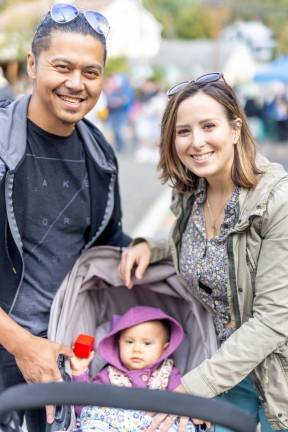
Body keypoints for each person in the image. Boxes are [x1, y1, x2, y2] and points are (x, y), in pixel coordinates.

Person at [119, 73, 288, 432]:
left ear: (235, 128)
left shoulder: (277, 201)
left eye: (208, 126)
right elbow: (214, 251)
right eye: (183, 131)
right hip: (226, 367)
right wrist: (153, 248)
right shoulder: (191, 192)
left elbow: (275, 319)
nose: (196, 143)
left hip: (279, 376)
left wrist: (193, 388)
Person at [0, 3, 130, 431]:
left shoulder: (100, 157)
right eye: (62, 67)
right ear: (34, 65)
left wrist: (140, 248)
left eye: (91, 73)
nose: (77, 84)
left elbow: (108, 243)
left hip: (65, 362)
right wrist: (21, 344)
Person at [71, 305, 196, 432]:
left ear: (164, 348)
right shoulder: (109, 375)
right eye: (129, 342)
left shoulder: (168, 374)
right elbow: (85, 408)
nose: (136, 349)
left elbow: (183, 403)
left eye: (147, 343)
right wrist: (79, 372)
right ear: (118, 343)